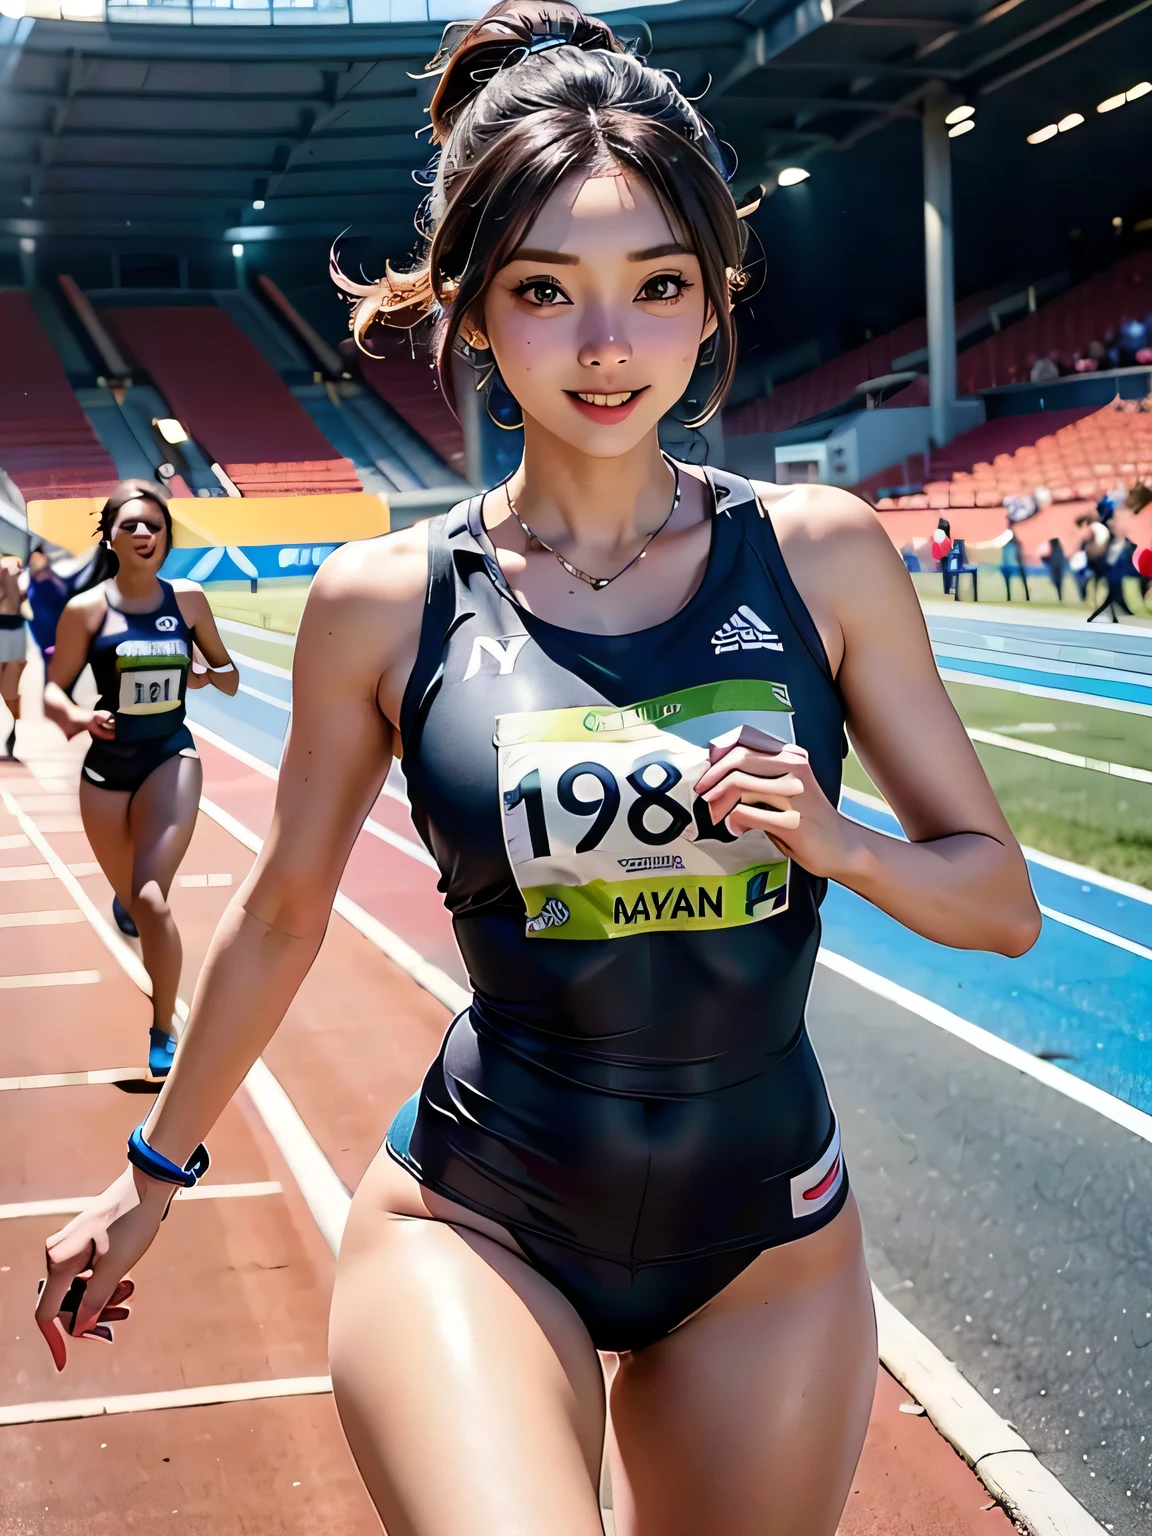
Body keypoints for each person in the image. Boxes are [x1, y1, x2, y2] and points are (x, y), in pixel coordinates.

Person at [34, 11, 1041, 1533]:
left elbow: (1003, 902)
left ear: (712, 304)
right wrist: (151, 1169)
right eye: (546, 291)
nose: (606, 346)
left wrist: (841, 842)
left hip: (768, 1251)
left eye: (657, 289)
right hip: (480, 1222)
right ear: (473, 309)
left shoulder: (823, 559)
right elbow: (288, 909)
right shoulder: (383, 601)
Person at [41, 480, 238, 1075]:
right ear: (111, 537)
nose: (144, 534)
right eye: (130, 525)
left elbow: (228, 676)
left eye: (154, 524)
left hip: (170, 758)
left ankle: (162, 1028)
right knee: (133, 898)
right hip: (105, 769)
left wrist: (204, 672)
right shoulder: (88, 610)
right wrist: (78, 716)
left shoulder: (189, 600)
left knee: (152, 900)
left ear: (166, 536)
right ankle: (127, 901)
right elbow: (53, 690)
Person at [0, 552, 28, 757]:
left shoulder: (5, 565)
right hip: (16, 630)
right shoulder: (16, 565)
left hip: (6, 628)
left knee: (9, 688)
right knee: (10, 690)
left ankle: (12, 732)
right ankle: (13, 730)